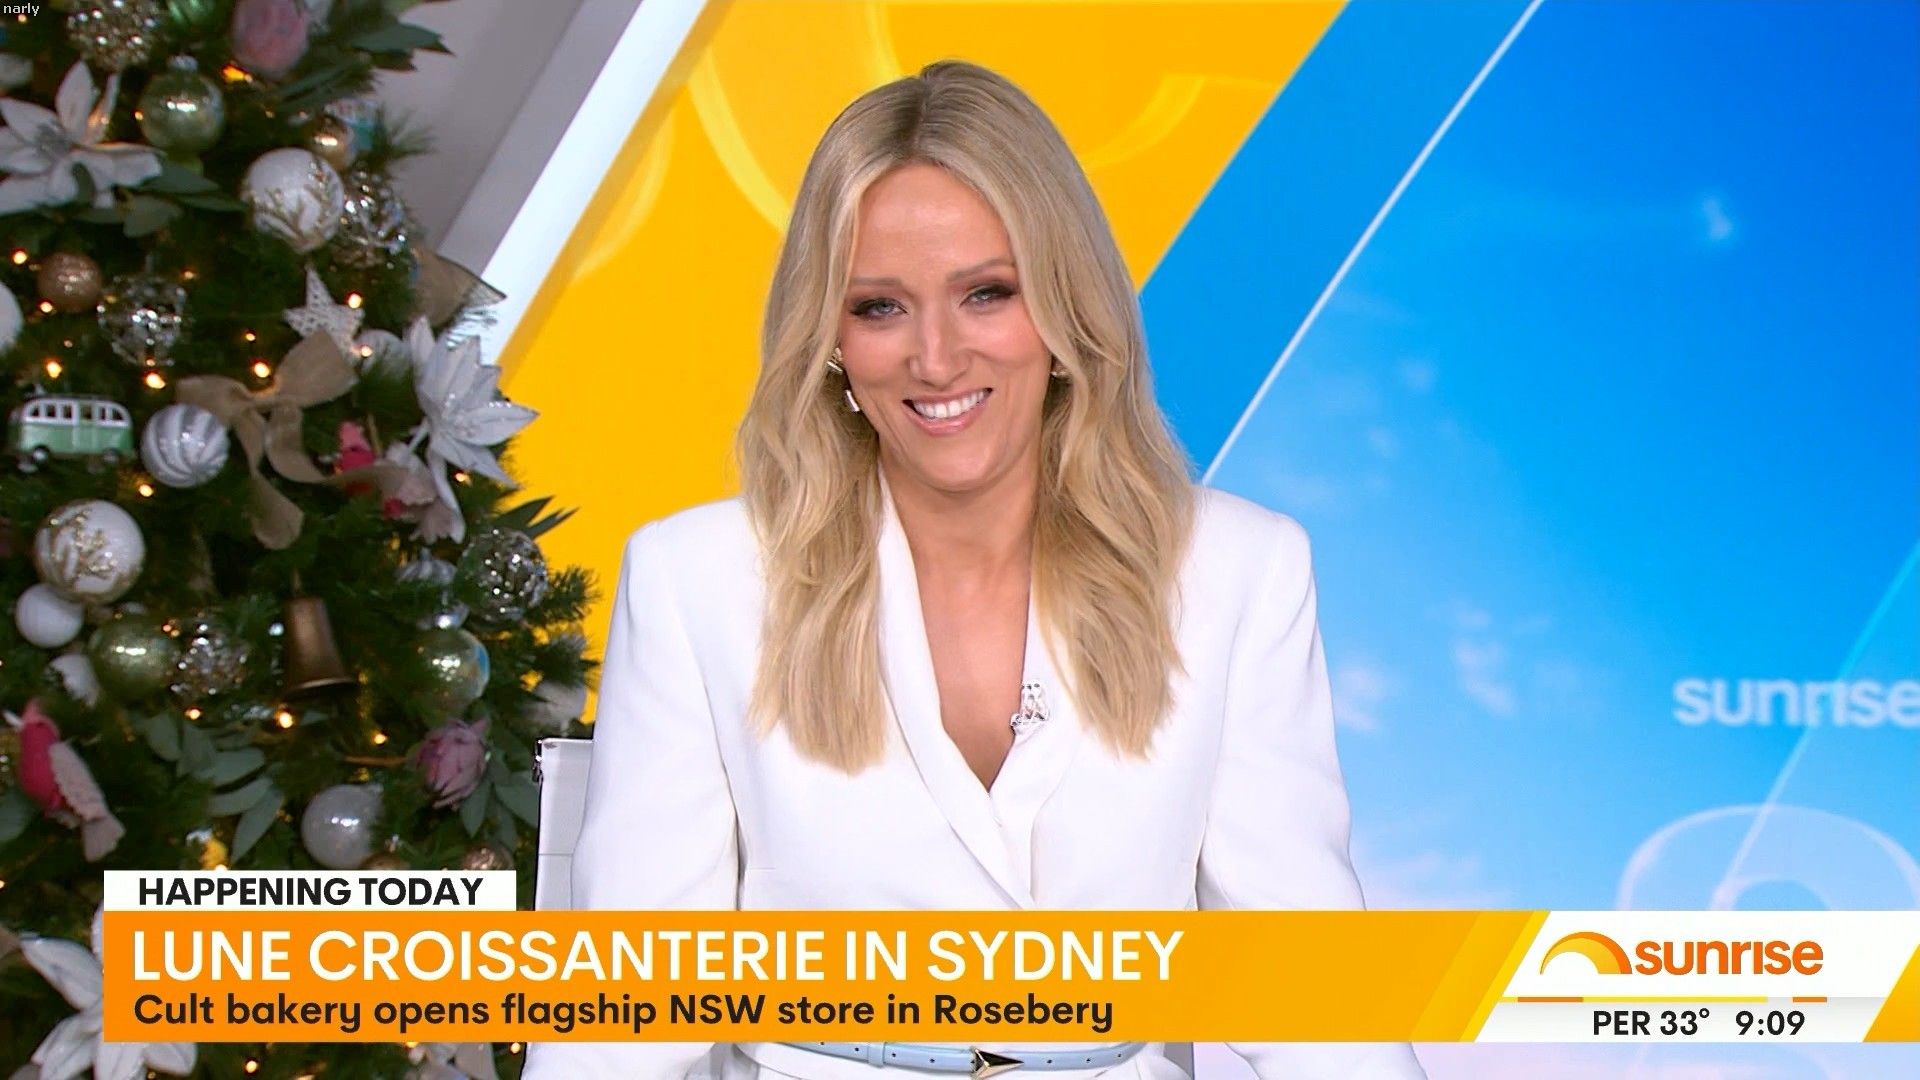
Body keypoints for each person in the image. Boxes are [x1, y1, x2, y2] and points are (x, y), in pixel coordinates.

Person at [525, 59, 1425, 1080]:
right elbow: (632, 1010)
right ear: (829, 338)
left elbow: (1306, 984)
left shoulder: (1239, 571)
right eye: (880, 308)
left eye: (986, 294)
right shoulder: (698, 580)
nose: (938, 358)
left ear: (1067, 309)